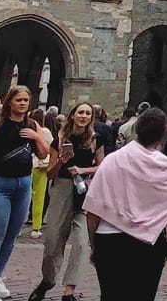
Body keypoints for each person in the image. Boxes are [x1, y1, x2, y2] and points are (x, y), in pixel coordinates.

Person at [85, 108, 167, 301]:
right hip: (148, 243)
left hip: (110, 240)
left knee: (111, 296)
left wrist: (94, 244)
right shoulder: (166, 168)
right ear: (164, 135)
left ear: (136, 130)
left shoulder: (112, 161)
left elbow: (93, 209)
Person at [0, 86, 49, 301]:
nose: (22, 103)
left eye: (26, 100)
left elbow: (43, 154)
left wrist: (37, 137)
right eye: (18, 100)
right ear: (9, 102)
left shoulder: (33, 125)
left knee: (12, 235)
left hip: (23, 183)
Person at [29, 102, 103, 301]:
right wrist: (61, 160)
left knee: (81, 243)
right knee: (53, 242)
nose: (84, 116)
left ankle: (69, 291)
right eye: (81, 112)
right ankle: (47, 280)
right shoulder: (60, 139)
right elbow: (50, 173)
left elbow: (103, 167)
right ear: (73, 115)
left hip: (84, 190)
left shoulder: (96, 139)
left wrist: (83, 170)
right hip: (61, 188)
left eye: (88, 113)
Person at [28, 110, 54, 240]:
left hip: (27, 165)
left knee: (25, 196)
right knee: (39, 197)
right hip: (40, 165)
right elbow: (51, 147)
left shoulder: (26, 129)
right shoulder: (45, 132)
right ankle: (36, 227)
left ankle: (18, 226)